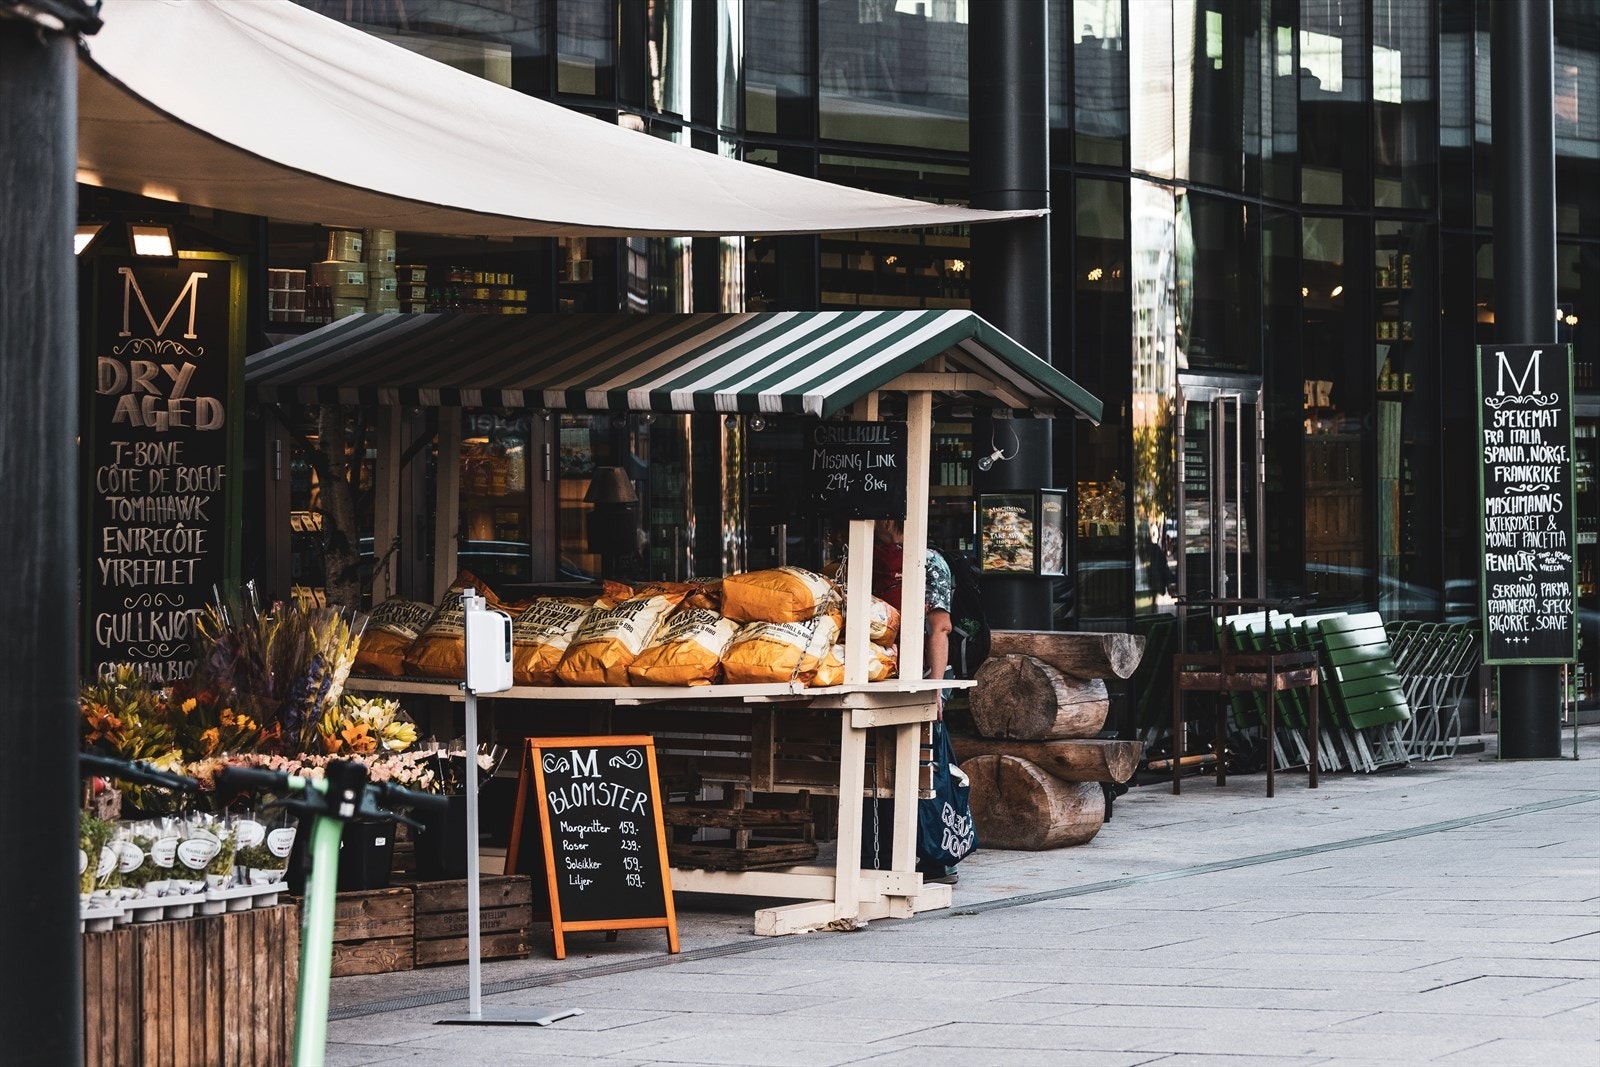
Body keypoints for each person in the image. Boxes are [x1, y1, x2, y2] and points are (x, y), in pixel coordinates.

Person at [871, 519, 959, 884]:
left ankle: (936, 855)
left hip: (919, 675)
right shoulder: (863, 559)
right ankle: (879, 852)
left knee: (924, 764)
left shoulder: (928, 562)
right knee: (878, 762)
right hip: (877, 673)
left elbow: (940, 627)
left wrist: (935, 688)